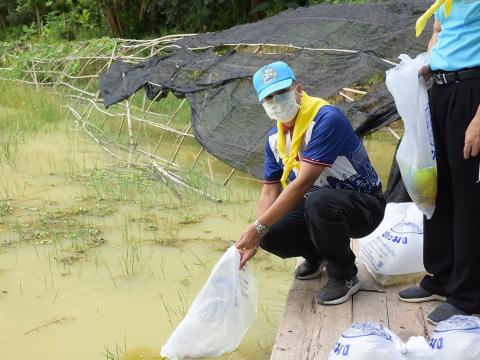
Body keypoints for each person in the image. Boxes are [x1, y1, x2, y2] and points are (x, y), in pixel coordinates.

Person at [235, 61, 386, 305]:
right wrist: (259, 231)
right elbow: (269, 190)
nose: (276, 101)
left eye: (281, 92)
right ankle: (317, 255)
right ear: (263, 104)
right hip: (323, 204)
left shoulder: (327, 119)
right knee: (271, 232)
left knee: (318, 200)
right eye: (269, 98)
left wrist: (258, 228)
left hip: (365, 205)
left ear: (298, 89)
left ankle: (344, 275)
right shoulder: (276, 139)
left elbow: (303, 183)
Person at [398, 0, 480, 324]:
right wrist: (430, 60)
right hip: (442, 89)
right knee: (438, 189)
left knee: (469, 199)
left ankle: (467, 294)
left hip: (472, 92)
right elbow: (439, 31)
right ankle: (441, 276)